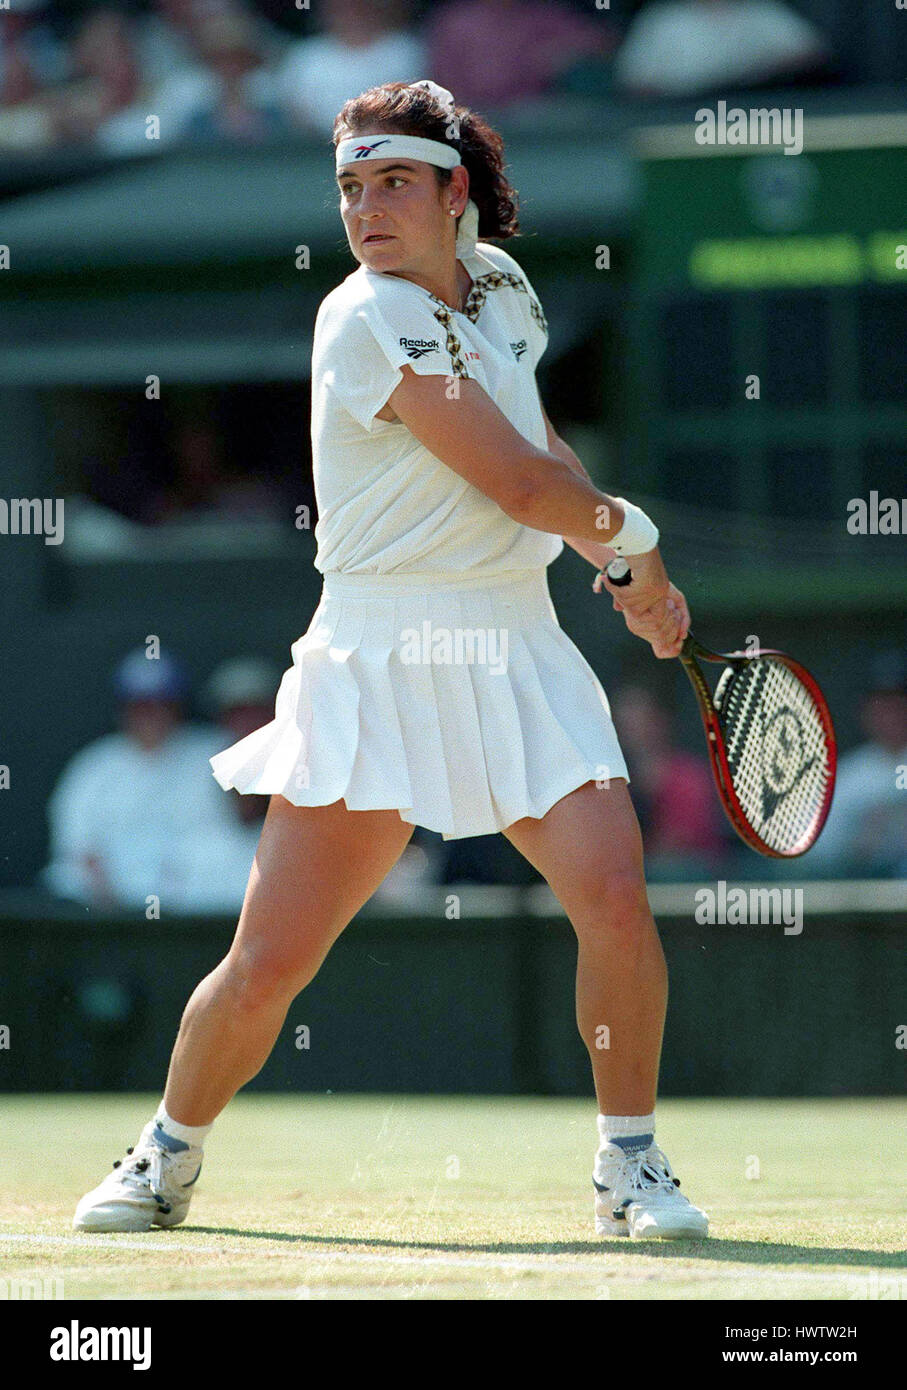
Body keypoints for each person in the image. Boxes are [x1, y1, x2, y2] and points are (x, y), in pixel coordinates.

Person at [73, 79, 708, 1243]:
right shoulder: (364, 315)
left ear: (454, 191)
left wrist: (614, 568)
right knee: (268, 964)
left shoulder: (505, 288)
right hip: (377, 652)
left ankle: (630, 1163)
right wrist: (643, 548)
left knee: (614, 899)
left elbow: (538, 445)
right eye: (352, 189)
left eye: (393, 184)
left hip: (517, 642)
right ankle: (166, 1151)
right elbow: (515, 485)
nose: (366, 210)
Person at [42, 648, 231, 911]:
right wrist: (113, 907)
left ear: (178, 705)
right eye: (141, 705)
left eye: (161, 703)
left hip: (195, 899)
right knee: (66, 879)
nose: (151, 715)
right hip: (107, 904)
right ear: (124, 708)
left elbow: (230, 835)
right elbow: (78, 846)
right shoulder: (96, 764)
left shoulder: (212, 751)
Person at [804, 651, 907, 879]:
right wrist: (856, 842)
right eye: (883, 704)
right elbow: (816, 856)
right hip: (866, 898)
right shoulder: (847, 776)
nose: (892, 714)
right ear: (866, 711)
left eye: (900, 703)